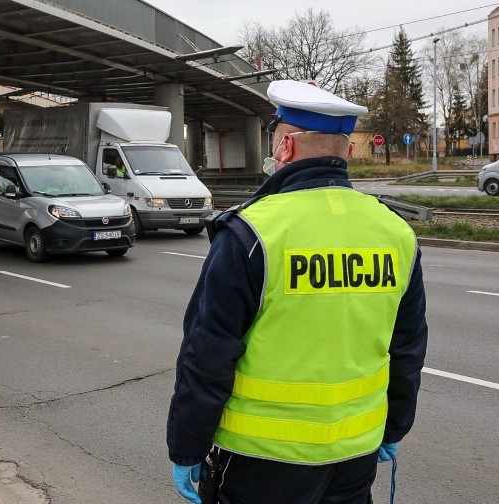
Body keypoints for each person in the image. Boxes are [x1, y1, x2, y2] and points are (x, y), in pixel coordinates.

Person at [167, 80, 428, 503]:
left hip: (260, 463)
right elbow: (408, 349)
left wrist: (186, 446)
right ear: (347, 151)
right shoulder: (396, 234)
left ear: (285, 148)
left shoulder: (251, 233)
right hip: (355, 454)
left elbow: (207, 355)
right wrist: (394, 428)